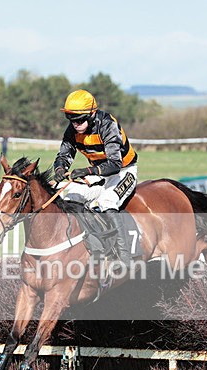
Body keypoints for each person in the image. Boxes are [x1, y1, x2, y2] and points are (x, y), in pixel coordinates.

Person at [53, 89, 138, 271]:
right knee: (71, 199)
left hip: (123, 171)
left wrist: (87, 170)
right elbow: (64, 155)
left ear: (92, 114)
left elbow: (115, 164)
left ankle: (124, 256)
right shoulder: (72, 129)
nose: (76, 124)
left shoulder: (108, 125)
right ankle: (87, 247)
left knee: (107, 201)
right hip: (98, 172)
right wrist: (60, 169)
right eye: (71, 119)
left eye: (80, 119)